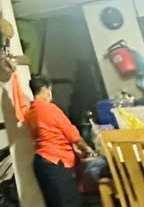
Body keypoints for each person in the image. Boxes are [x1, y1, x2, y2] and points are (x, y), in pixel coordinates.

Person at [25, 75, 93, 207]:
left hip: (41, 163)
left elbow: (51, 135)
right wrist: (88, 149)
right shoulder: (50, 108)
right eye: (50, 90)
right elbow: (73, 136)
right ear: (45, 89)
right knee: (69, 203)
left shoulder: (31, 112)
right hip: (55, 163)